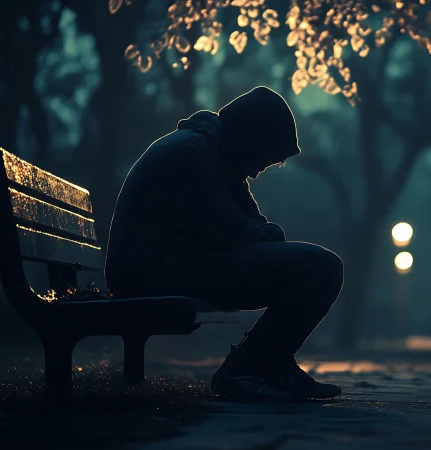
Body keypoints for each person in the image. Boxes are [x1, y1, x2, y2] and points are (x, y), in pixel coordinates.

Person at [104, 86, 344, 401]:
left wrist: (264, 234)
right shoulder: (190, 154)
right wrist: (264, 235)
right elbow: (235, 231)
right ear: (249, 139)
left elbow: (250, 226)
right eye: (263, 159)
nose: (258, 172)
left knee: (313, 266)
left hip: (169, 265)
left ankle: (271, 365)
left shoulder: (214, 156)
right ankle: (246, 369)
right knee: (322, 268)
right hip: (148, 275)